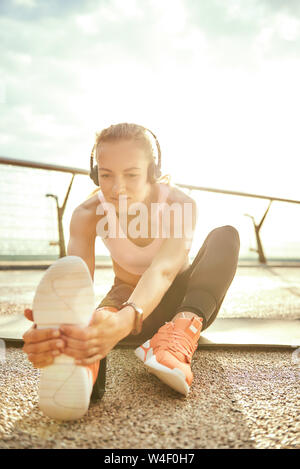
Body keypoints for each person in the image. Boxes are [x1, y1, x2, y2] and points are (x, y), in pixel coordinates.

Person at [23, 123, 240, 409]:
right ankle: (82, 369)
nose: (117, 188)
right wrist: (60, 328)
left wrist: (127, 318)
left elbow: (164, 269)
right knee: (98, 319)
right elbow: (77, 283)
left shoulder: (179, 204)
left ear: (152, 173)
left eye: (131, 174)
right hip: (124, 296)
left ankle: (173, 341)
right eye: (106, 174)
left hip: (187, 303)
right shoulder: (87, 214)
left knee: (225, 236)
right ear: (94, 173)